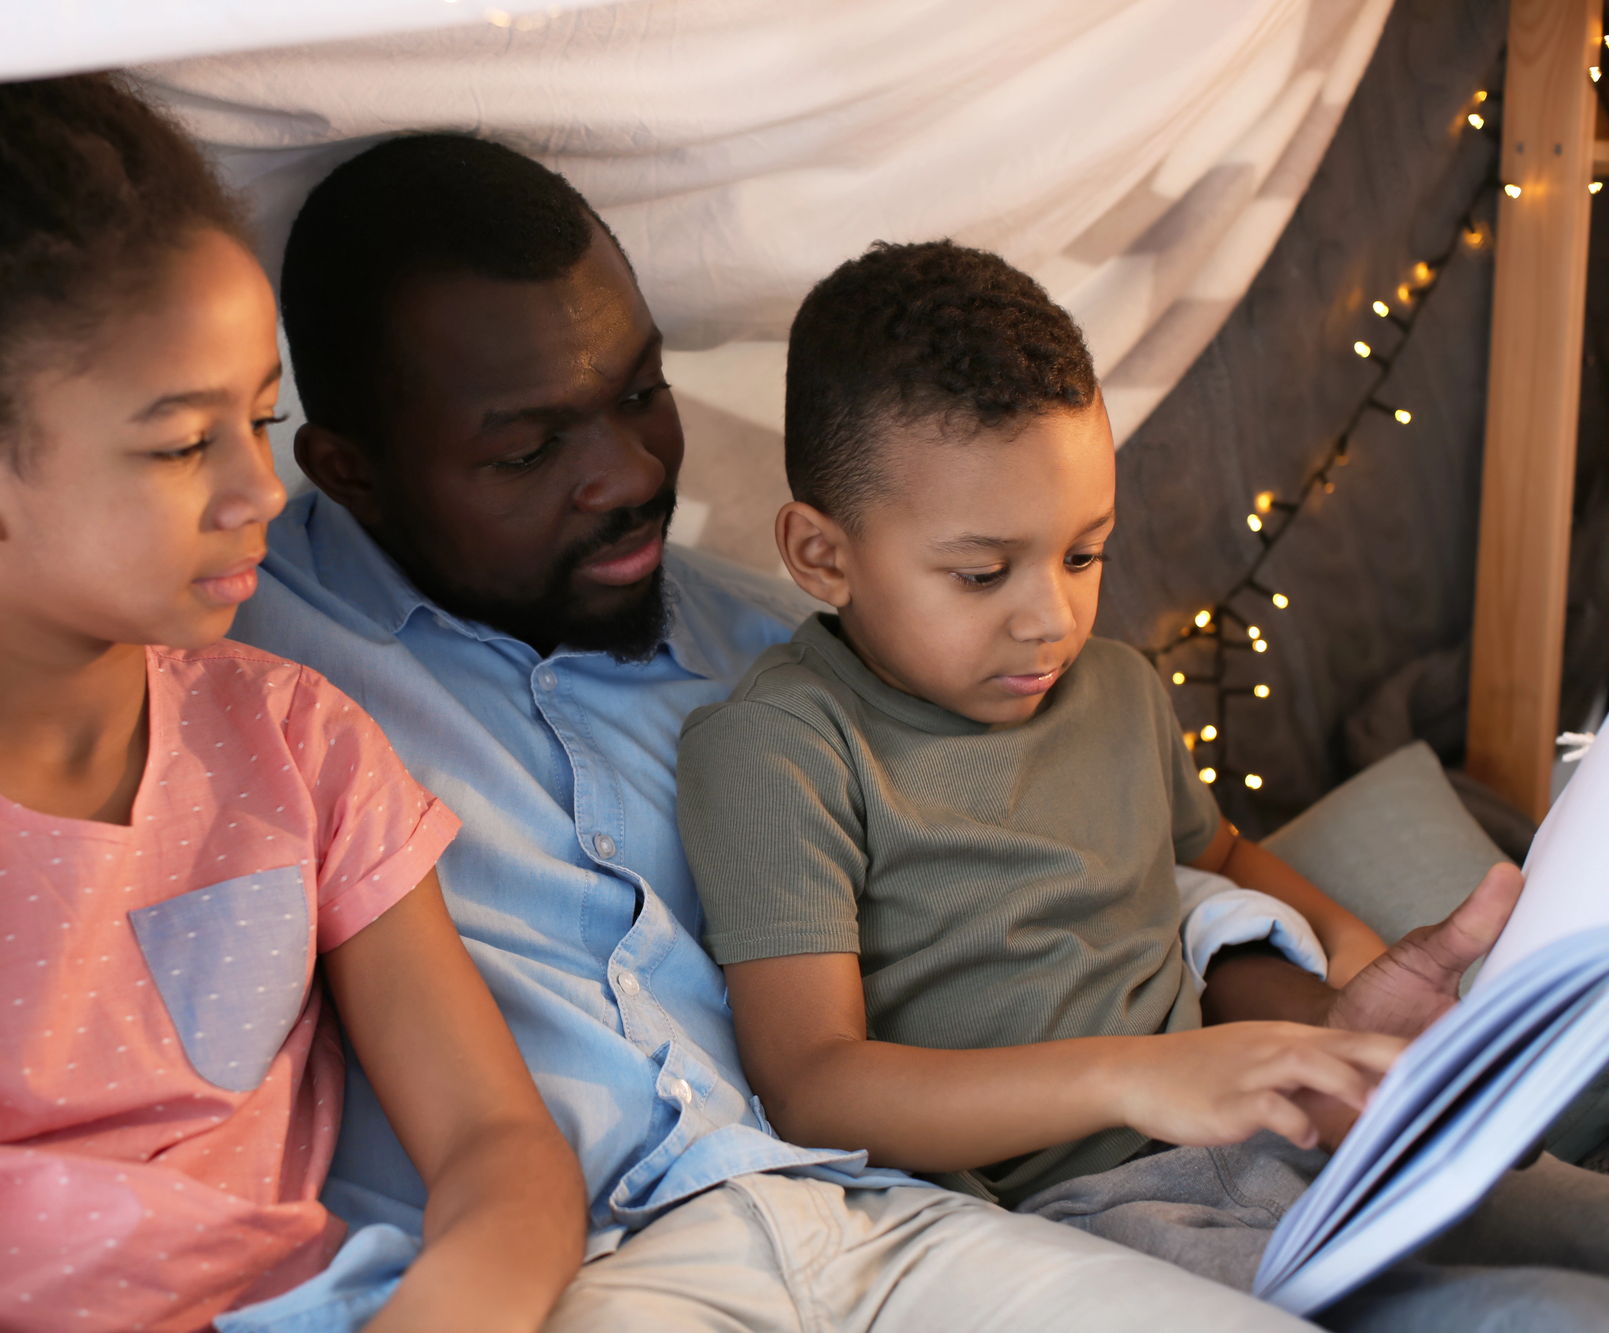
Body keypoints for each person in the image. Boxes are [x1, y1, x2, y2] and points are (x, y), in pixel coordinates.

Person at [0, 134, 1504, 1333]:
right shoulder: (240, 627)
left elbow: (1065, 881)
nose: (629, 467)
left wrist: (1324, 986)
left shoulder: (794, 635)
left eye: (634, 391)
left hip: (862, 1212)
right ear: (358, 468)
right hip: (610, 1277)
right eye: (526, 444)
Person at [0, 85, 582, 1333]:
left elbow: (499, 1147)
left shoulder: (303, 746)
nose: (258, 490)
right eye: (177, 446)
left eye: (261, 419)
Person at [673, 238, 1609, 1326]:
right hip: (1089, 1215)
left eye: (1083, 553)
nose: (1048, 618)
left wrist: (1349, 983)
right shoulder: (780, 745)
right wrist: (1138, 1076)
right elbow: (812, 1081)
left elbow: (1212, 856)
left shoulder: (1113, 690)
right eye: (981, 573)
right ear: (821, 555)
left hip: (1281, 1135)